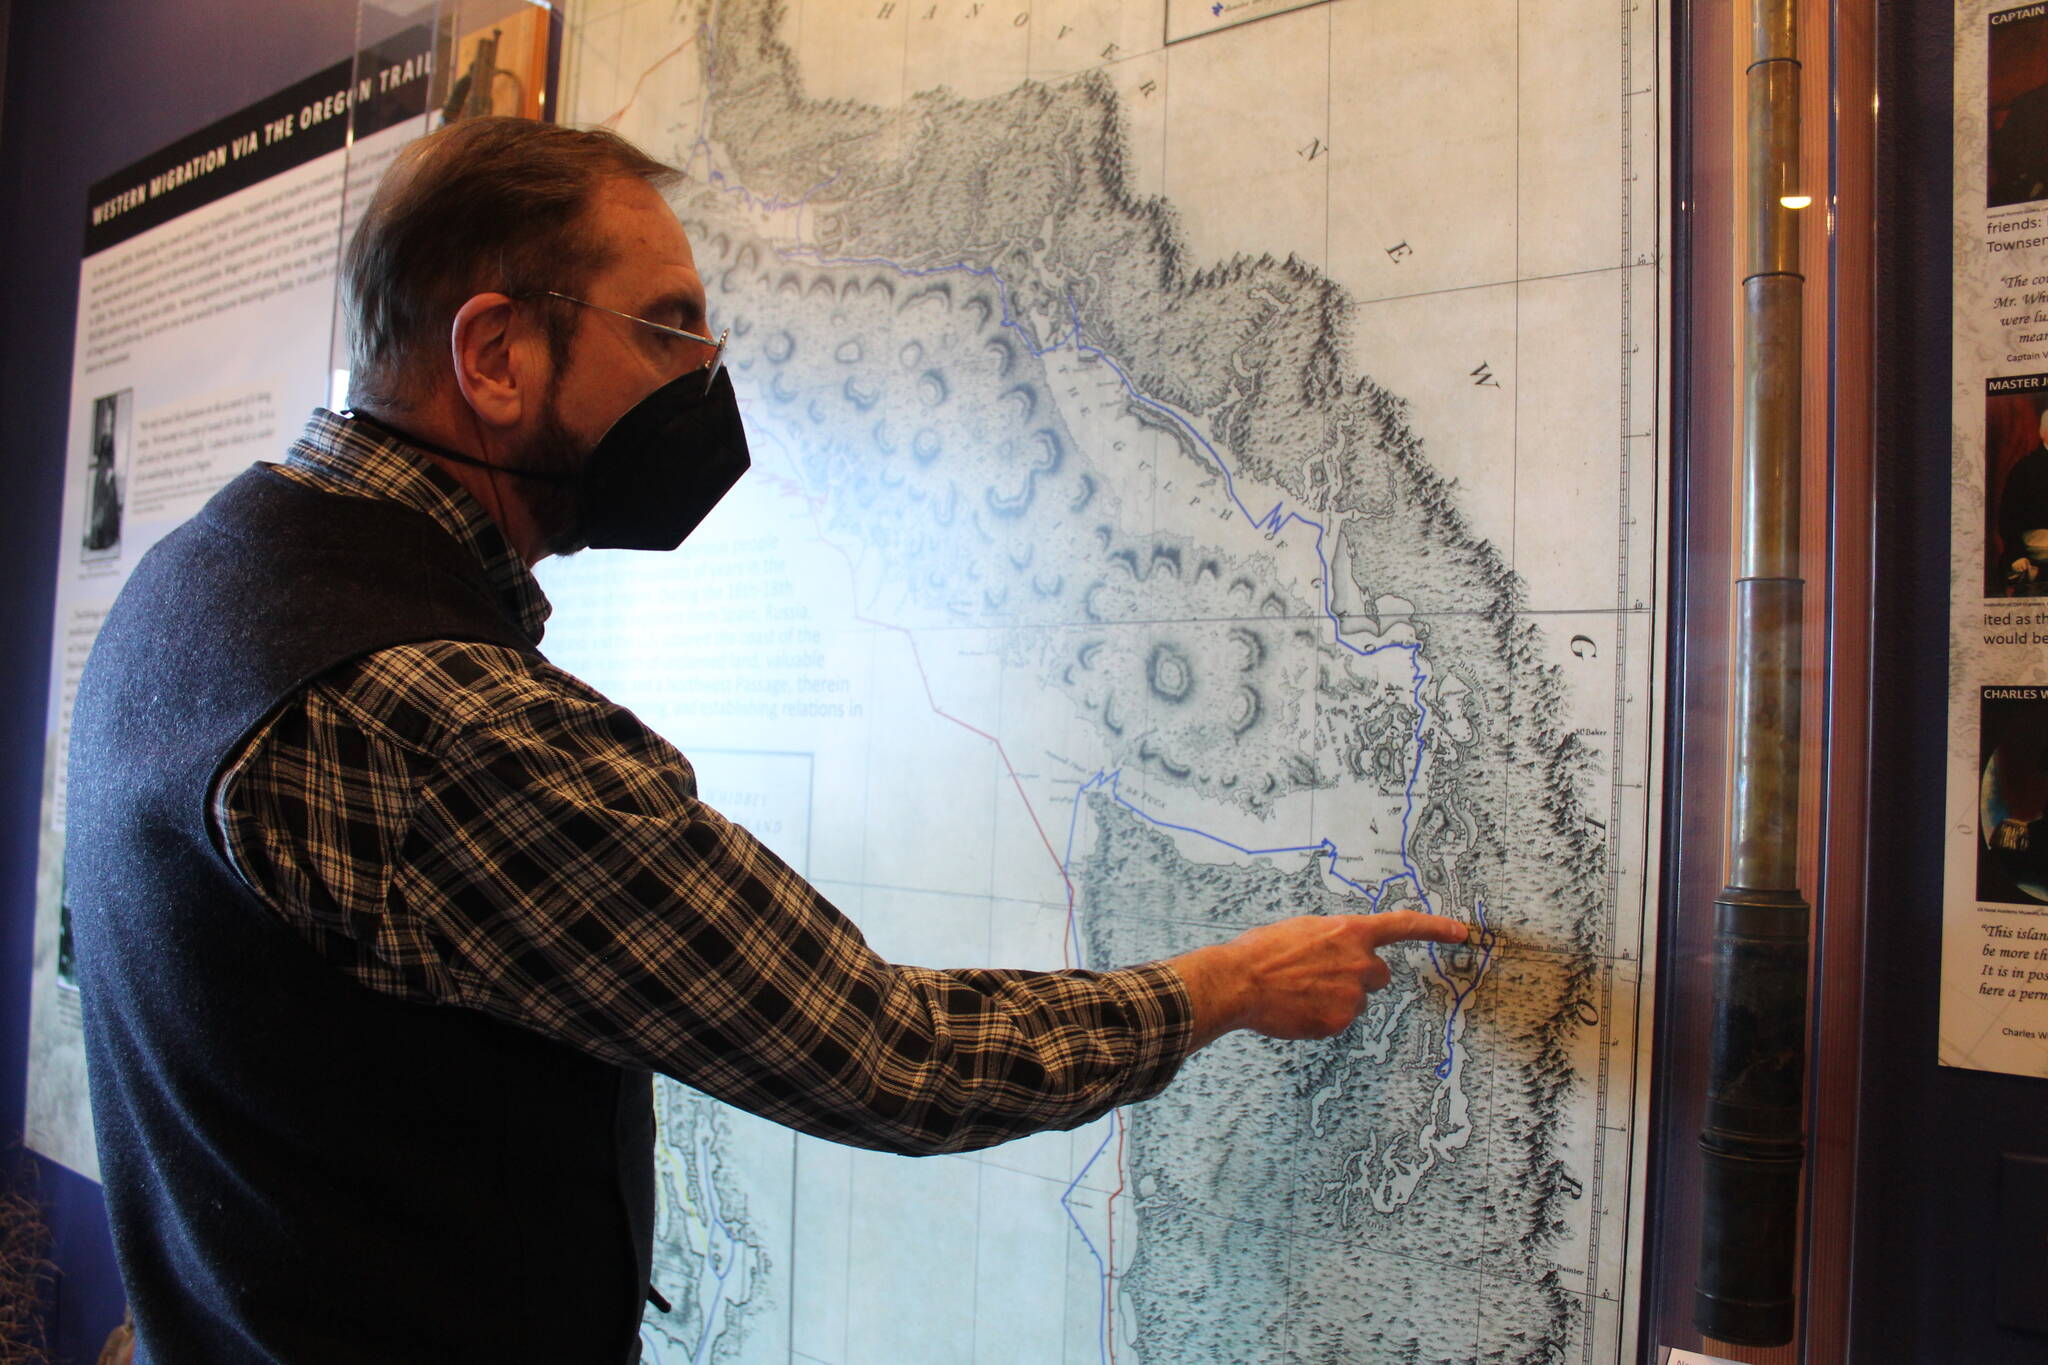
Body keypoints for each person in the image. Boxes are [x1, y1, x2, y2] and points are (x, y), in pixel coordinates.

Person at [65, 118, 1468, 1364]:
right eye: (666, 328)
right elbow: (886, 1055)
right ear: (494, 356)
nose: (707, 376)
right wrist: (1225, 983)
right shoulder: (430, 713)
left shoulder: (203, 577)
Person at [2000, 405, 2048, 593]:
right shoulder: (2026, 468)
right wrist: (2016, 554)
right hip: (2035, 538)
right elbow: (2008, 516)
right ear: (2043, 433)